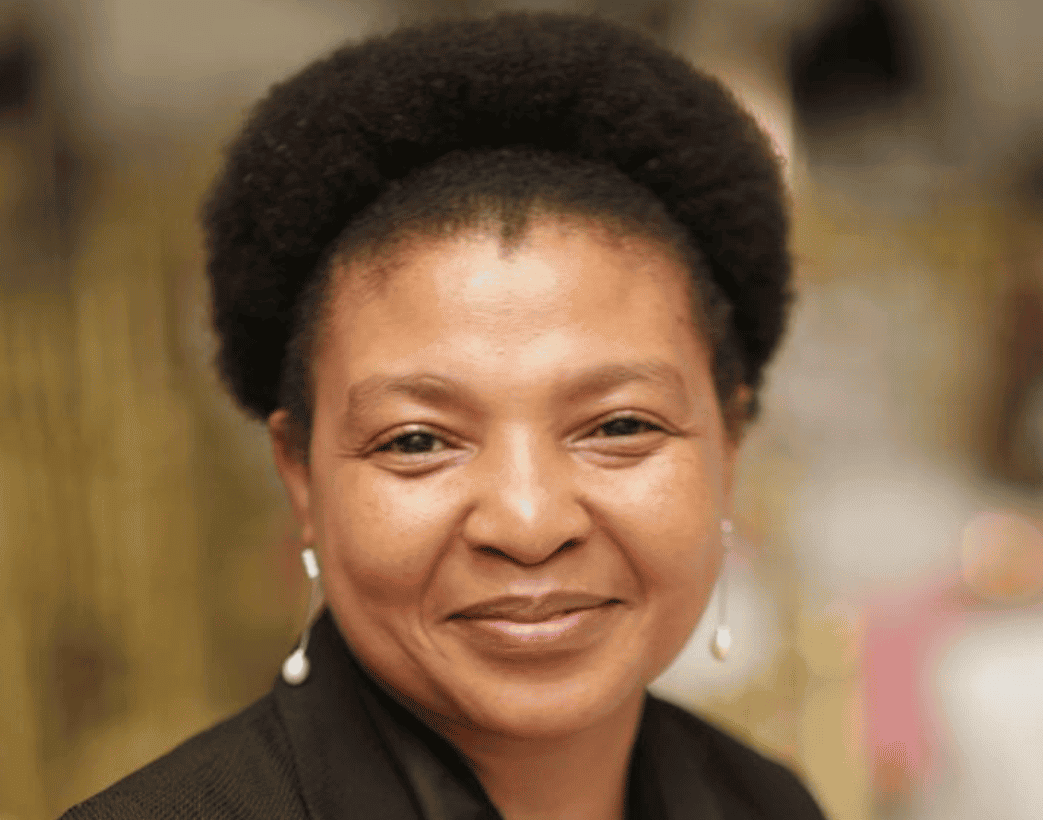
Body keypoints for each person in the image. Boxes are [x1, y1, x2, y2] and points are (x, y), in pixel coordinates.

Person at [62, 12, 822, 820]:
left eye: (618, 426)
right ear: (302, 477)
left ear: (729, 449)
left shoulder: (765, 804)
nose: (528, 522)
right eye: (418, 440)